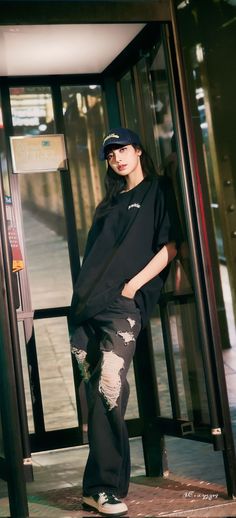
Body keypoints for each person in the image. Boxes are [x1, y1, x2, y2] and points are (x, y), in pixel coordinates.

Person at [69, 128, 181, 516]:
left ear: (137, 152)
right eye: (110, 154)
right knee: (99, 399)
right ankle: (101, 488)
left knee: (108, 389)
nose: (117, 158)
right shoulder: (108, 204)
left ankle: (102, 487)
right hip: (86, 309)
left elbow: (170, 246)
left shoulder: (158, 190)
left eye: (123, 150)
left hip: (121, 307)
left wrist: (133, 286)